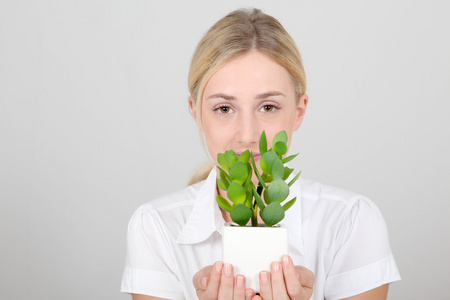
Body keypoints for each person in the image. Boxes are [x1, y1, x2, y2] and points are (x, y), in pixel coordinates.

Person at [121, 8, 400, 300]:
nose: (247, 135)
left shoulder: (350, 223)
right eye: (224, 109)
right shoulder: (156, 227)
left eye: (268, 107)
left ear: (299, 111)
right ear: (196, 113)